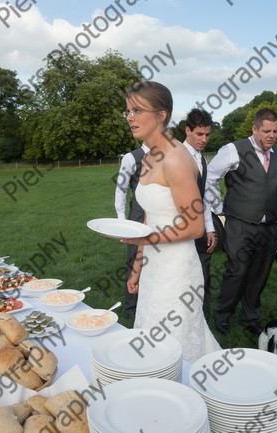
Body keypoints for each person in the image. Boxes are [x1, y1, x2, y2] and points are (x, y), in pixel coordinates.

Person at [120, 81, 221, 362]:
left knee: (173, 343)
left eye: (138, 110)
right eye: (128, 111)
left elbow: (195, 226)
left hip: (177, 269)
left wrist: (147, 240)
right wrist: (138, 265)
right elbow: (150, 217)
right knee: (150, 335)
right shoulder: (149, 157)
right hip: (154, 265)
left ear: (162, 115)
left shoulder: (176, 158)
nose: (130, 117)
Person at [206, 108, 277, 335]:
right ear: (254, 129)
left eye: (275, 131)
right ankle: (223, 314)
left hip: (270, 227)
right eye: (266, 131)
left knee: (260, 273)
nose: (271, 135)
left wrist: (272, 205)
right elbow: (210, 177)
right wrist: (218, 206)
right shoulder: (233, 150)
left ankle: (250, 317)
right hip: (240, 224)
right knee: (238, 271)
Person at [181, 109, 216, 319]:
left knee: (203, 276)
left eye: (207, 135)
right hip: (178, 230)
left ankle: (201, 319)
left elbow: (205, 197)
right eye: (199, 134)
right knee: (183, 277)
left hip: (201, 230)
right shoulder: (174, 156)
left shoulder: (202, 159)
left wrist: (210, 228)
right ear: (187, 130)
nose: (204, 139)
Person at [114, 142, 150, 319]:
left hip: (160, 214)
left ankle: (149, 299)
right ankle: (131, 307)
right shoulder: (131, 157)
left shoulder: (167, 153)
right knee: (134, 256)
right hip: (138, 212)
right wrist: (122, 221)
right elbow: (121, 189)